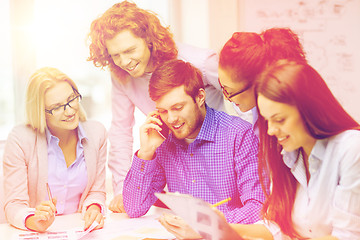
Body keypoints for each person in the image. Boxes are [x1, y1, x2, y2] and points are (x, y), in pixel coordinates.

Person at [87, 1, 225, 213]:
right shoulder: (120, 75)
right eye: (115, 55)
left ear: (149, 40)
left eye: (129, 50)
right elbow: (121, 131)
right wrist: (122, 189)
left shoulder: (200, 62)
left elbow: (243, 100)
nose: (124, 61)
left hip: (219, 156)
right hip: (177, 162)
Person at [122, 59, 265, 232]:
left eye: (178, 107)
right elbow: (134, 208)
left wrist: (206, 225)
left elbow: (258, 207)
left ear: (200, 97)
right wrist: (146, 152)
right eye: (163, 111)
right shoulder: (163, 142)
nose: (171, 119)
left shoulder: (239, 134)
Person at [229, 60, 360, 240]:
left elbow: (347, 236)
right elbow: (277, 225)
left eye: (280, 119)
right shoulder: (289, 154)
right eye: (267, 121)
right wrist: (226, 229)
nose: (270, 131)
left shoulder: (351, 150)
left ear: (309, 110)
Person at [3, 67, 107, 232]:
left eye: (71, 99)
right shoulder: (20, 139)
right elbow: (14, 204)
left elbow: (96, 191)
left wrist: (94, 208)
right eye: (57, 107)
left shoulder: (96, 133)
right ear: (40, 112)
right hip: (39, 233)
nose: (70, 110)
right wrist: (33, 220)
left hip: (79, 231)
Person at [218, 28, 307, 134]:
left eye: (230, 92)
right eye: (222, 87)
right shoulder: (258, 112)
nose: (227, 98)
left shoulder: (292, 116)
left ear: (257, 83)